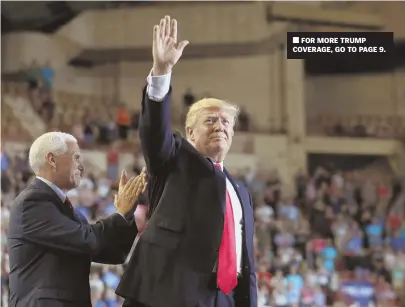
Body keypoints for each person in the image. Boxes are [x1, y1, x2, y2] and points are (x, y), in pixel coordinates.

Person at [116, 16, 257, 307]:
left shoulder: (240, 190)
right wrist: (162, 71)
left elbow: (245, 260)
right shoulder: (174, 158)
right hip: (167, 295)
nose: (220, 126)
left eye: (226, 121)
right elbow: (154, 132)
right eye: (210, 120)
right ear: (190, 132)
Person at [7, 132, 147, 307]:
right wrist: (119, 213)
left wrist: (127, 213)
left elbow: (114, 253)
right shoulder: (32, 202)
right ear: (52, 159)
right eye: (76, 157)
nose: (81, 166)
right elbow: (89, 241)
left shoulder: (70, 212)